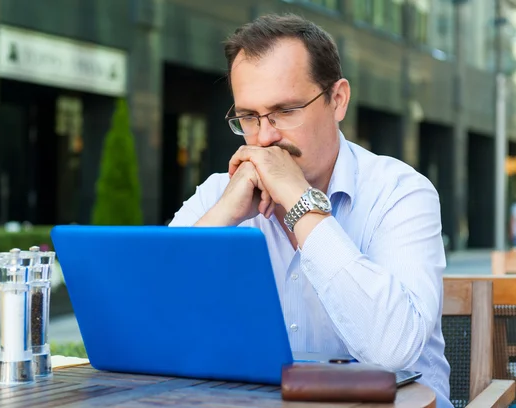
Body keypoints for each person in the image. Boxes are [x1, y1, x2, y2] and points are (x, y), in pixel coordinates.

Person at [169, 13, 451, 406]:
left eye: (285, 111)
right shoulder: (223, 192)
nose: (265, 137)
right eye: (249, 117)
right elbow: (157, 320)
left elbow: (392, 350)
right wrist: (224, 215)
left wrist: (299, 200)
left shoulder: (401, 192)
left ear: (338, 100)